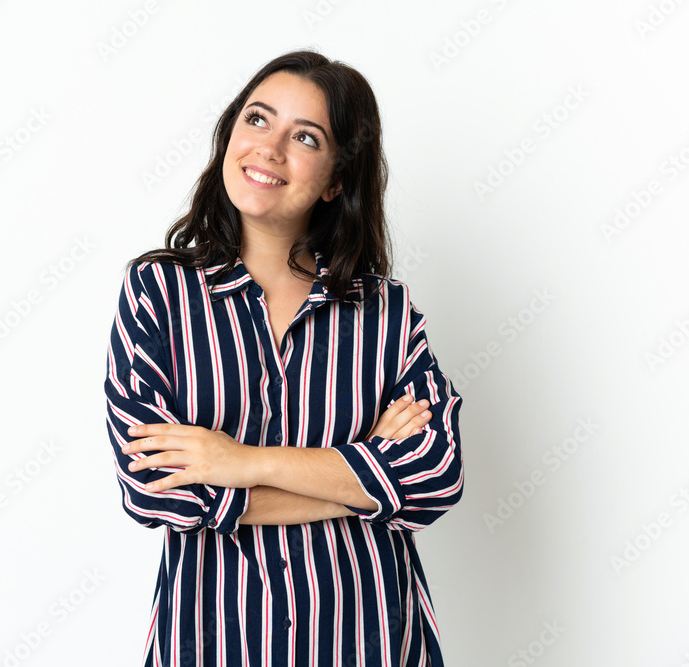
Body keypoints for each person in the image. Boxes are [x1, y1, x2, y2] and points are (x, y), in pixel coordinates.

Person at [104, 49, 464, 666]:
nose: (269, 148)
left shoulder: (385, 310)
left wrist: (238, 462)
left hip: (370, 637)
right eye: (257, 119)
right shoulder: (159, 293)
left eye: (305, 137)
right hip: (216, 640)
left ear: (336, 180)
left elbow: (433, 476)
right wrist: (360, 486)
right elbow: (155, 491)